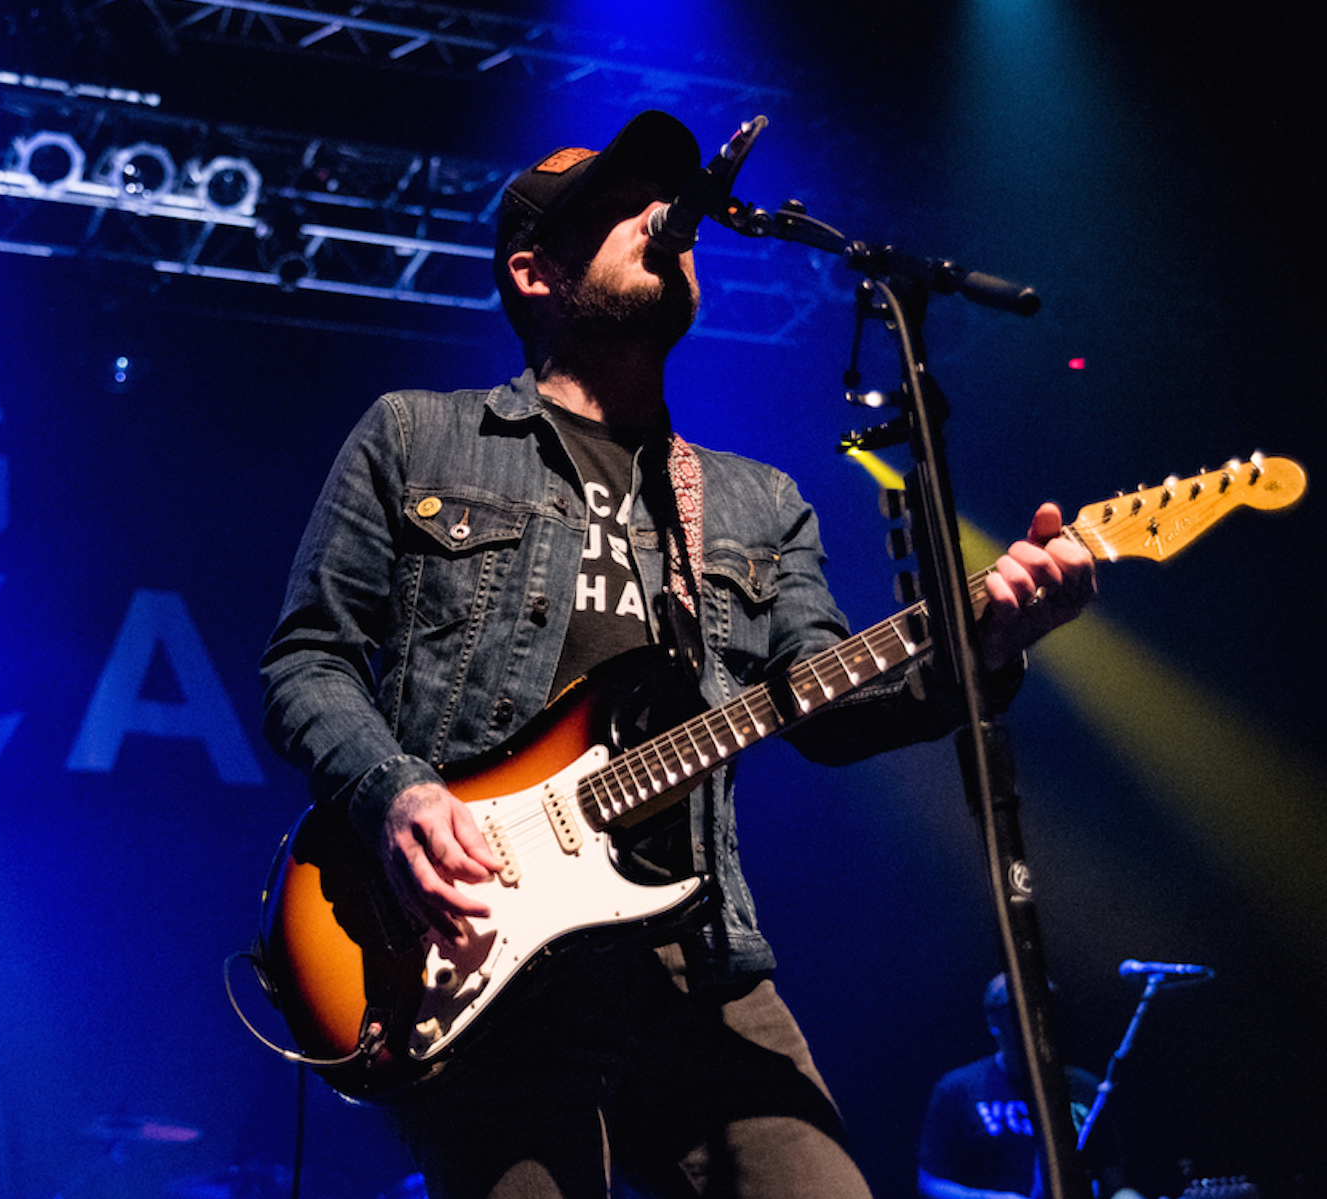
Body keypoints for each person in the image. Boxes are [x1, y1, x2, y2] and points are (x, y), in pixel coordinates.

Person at [259, 110, 1097, 1199]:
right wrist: (398, 795)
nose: (662, 217)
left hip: (690, 955)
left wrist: (984, 642)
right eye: (612, 206)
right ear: (533, 273)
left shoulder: (757, 501)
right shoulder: (417, 435)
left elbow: (831, 705)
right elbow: (306, 660)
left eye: (664, 200)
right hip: (471, 939)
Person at [918, 975, 1135, 1199]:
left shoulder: (1086, 1087)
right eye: (1020, 1009)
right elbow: (929, 1183)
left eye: (1044, 1007)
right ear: (994, 1021)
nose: (1036, 1018)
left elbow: (1113, 1182)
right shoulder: (957, 1089)